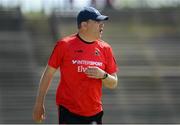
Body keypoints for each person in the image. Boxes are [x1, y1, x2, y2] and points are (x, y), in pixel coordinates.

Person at [32, 6, 118, 124]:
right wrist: (39, 103)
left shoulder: (106, 49)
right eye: (97, 21)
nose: (102, 25)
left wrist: (103, 75)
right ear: (84, 25)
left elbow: (114, 83)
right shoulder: (64, 45)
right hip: (68, 111)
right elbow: (48, 74)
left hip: (94, 112)